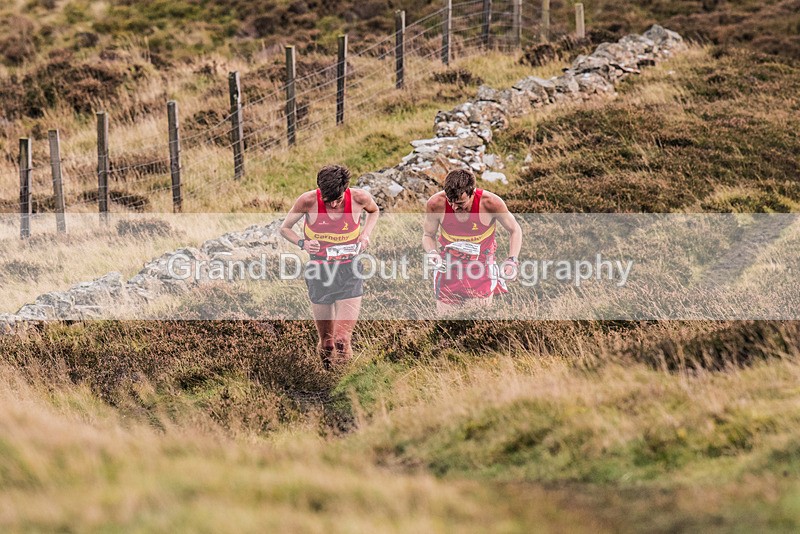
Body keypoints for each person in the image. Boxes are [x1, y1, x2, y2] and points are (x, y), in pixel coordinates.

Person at [280, 164, 379, 369]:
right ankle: (328, 374)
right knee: (328, 344)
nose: (333, 204)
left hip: (349, 270)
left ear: (346, 190)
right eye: (328, 200)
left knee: (342, 340)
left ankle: (344, 380)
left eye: (339, 199)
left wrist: (365, 234)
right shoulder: (307, 201)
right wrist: (303, 243)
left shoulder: (360, 198)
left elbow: (374, 211)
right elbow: (285, 228)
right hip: (319, 272)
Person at [422, 168, 522, 315]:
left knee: (478, 320)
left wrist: (512, 260)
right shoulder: (435, 204)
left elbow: (515, 230)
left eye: (461, 203)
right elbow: (428, 235)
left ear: (472, 193)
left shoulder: (491, 203)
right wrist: (432, 253)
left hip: (481, 270)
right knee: (446, 326)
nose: (455, 207)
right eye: (451, 201)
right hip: (448, 270)